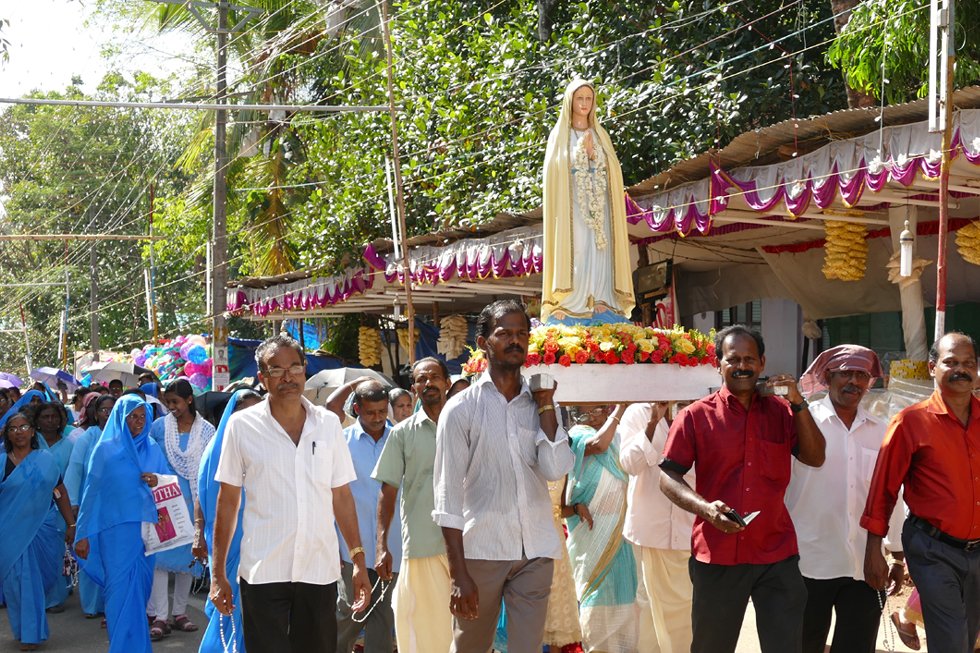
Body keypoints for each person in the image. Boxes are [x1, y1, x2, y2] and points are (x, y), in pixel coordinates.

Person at [658, 324, 826, 653]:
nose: (742, 366)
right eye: (733, 359)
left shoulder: (782, 412)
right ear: (718, 364)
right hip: (717, 555)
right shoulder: (695, 416)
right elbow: (668, 476)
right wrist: (705, 509)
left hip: (776, 553)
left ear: (762, 363)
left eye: (750, 359)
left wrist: (798, 402)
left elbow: (815, 457)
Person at [210, 334, 371, 653]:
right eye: (276, 369)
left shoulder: (327, 424)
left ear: (305, 370)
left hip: (318, 567)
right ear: (262, 378)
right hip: (262, 569)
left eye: (294, 367)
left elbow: (341, 496)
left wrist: (358, 561)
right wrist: (217, 574)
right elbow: (228, 501)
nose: (287, 376)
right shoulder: (242, 426)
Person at [433, 299, 575, 653]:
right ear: (483, 342)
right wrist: (458, 574)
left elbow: (556, 468)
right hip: (483, 550)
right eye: (504, 333)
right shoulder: (461, 409)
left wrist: (545, 407)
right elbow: (446, 496)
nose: (515, 341)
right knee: (471, 646)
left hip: (537, 550)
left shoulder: (543, 402)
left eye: (522, 334)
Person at [862, 332, 980, 653]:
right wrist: (876, 548)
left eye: (968, 363)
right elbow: (883, 489)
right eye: (951, 362)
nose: (961, 369)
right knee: (952, 641)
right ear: (932, 367)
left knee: (968, 640)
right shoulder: (910, 422)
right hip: (932, 549)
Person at [785, 344, 905, 653]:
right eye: (845, 374)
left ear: (870, 382)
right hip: (808, 562)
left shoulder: (881, 431)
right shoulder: (800, 423)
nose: (854, 382)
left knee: (857, 646)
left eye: (861, 375)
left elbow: (889, 495)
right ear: (827, 377)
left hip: (864, 564)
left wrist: (897, 553)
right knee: (803, 644)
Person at [74, 395, 170, 653]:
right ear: (120, 417)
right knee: (118, 593)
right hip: (114, 533)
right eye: (132, 417)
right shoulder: (105, 450)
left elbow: (168, 486)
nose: (138, 422)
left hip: (147, 532)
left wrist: (156, 480)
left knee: (140, 592)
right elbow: (91, 493)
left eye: (142, 416)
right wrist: (82, 533)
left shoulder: (152, 447)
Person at [373, 357, 454, 653]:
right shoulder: (401, 433)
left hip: (470, 546)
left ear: (447, 382)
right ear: (414, 388)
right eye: (421, 379)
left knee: (467, 633)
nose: (428, 383)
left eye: (434, 377)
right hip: (422, 547)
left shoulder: (466, 425)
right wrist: (381, 545)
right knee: (425, 634)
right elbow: (388, 491)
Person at [540, 79, 633, 325]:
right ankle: (571, 302)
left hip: (599, 203)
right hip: (572, 207)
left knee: (600, 249)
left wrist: (593, 154)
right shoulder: (560, 135)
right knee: (578, 249)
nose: (584, 104)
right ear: (570, 102)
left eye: (588, 99)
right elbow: (554, 171)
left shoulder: (601, 134)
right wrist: (579, 152)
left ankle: (601, 298)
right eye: (579, 99)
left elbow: (612, 168)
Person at [618, 401, 694, 653]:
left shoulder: (701, 409)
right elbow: (629, 464)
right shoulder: (638, 412)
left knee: (688, 608)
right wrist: (653, 423)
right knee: (649, 603)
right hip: (651, 529)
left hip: (691, 527)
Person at [562, 404, 636, 652]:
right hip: (590, 536)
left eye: (600, 409)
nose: (595, 414)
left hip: (621, 533)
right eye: (589, 410)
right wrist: (619, 409)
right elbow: (598, 446)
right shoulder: (577, 436)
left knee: (625, 591)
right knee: (597, 596)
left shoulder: (619, 437)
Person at [146, 379, 216, 639]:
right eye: (168, 403)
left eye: (175, 402)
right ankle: (161, 616)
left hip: (195, 501)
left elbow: (209, 468)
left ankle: (180, 613)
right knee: (161, 559)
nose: (171, 407)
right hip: (165, 500)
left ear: (189, 400)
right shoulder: (159, 428)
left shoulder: (207, 431)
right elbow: (149, 457)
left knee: (189, 559)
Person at [0, 411, 76, 651]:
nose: (19, 432)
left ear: (33, 431)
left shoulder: (45, 459)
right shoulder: (1, 462)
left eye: (23, 427)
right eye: (13, 428)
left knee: (35, 581)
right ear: (7, 435)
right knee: (16, 583)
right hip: (9, 532)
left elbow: (60, 491)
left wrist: (71, 523)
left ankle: (31, 631)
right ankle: (27, 632)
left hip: (44, 529)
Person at [335, 380, 401, 653]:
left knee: (384, 619)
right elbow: (334, 496)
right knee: (349, 615)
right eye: (370, 412)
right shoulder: (341, 443)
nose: (377, 419)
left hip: (393, 547)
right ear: (357, 409)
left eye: (382, 412)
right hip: (353, 548)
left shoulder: (400, 439)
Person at [197, 388, 264, 653]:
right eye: (244, 412)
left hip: (261, 542)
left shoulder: (266, 447)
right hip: (231, 545)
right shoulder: (216, 451)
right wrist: (197, 532)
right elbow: (206, 503)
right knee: (231, 608)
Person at [63, 393, 115, 619]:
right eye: (104, 410)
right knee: (90, 553)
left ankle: (111, 602)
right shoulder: (87, 438)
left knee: (112, 556)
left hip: (116, 509)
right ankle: (92, 606)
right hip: (90, 507)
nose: (109, 414)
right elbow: (74, 471)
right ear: (95, 413)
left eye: (113, 409)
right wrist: (73, 504)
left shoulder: (124, 437)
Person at [30, 401, 75, 611]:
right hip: (32, 506)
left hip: (60, 505)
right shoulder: (31, 444)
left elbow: (72, 478)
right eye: (45, 417)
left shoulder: (69, 445)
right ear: (37, 421)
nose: (50, 421)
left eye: (54, 417)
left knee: (57, 551)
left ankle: (55, 597)